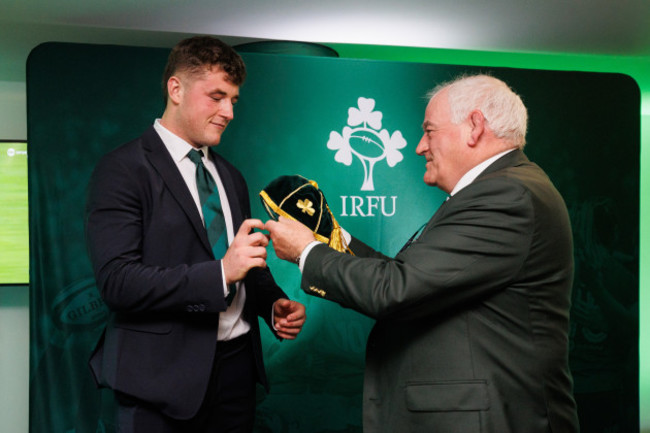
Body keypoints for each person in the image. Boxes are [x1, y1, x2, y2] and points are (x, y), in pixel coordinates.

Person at [265, 74, 579, 432]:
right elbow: (411, 276)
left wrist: (306, 251)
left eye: (429, 131)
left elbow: (394, 288)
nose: (419, 146)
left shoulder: (506, 196)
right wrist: (334, 236)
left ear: (474, 127)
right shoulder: (503, 189)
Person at [85, 35, 306, 433]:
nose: (229, 112)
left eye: (234, 100)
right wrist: (221, 273)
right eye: (217, 96)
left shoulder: (231, 176)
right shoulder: (122, 170)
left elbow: (245, 262)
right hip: (157, 385)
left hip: (237, 375)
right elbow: (117, 282)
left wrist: (272, 304)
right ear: (175, 88)